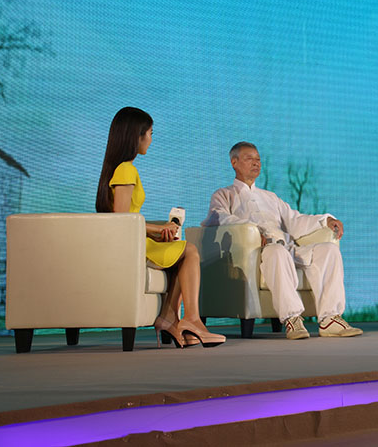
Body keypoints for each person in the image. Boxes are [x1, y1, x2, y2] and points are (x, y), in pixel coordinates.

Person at [201, 142, 362, 340]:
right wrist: (251, 230)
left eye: (258, 159)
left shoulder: (270, 198)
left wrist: (324, 220)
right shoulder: (224, 195)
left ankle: (330, 319)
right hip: (258, 253)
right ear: (234, 162)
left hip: (287, 248)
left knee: (329, 250)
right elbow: (218, 217)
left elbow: (295, 220)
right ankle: (292, 319)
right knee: (276, 252)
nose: (256, 163)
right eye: (249, 158)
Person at [96, 107, 226, 348]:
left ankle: (169, 318)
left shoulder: (122, 168)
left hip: (133, 241)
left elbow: (128, 220)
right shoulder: (126, 169)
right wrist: (157, 230)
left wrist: (158, 234)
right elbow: (122, 220)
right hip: (129, 246)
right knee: (190, 250)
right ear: (136, 136)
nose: (151, 140)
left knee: (180, 252)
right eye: (150, 133)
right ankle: (192, 320)